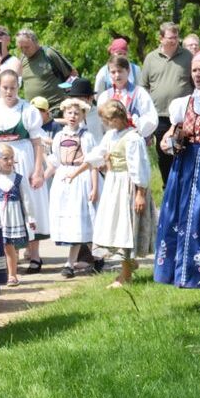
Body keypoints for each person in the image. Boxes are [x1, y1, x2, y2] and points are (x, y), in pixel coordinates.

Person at [154, 50, 200, 310]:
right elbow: (165, 140)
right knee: (192, 227)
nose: (198, 75)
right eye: (195, 70)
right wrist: (172, 142)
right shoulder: (183, 105)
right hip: (188, 171)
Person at [65, 100, 153, 288]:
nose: (104, 123)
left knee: (125, 227)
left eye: (106, 119)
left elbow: (140, 168)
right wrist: (74, 173)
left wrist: (140, 193)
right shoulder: (111, 136)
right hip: (114, 183)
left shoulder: (133, 138)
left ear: (116, 119)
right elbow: (97, 155)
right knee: (114, 225)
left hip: (127, 185)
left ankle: (126, 274)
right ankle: (128, 265)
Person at [0, 70, 50, 273]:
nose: (9, 91)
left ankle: (34, 255)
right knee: (3, 204)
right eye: (5, 87)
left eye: (12, 87)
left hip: (23, 157)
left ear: (18, 87)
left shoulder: (27, 110)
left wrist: (37, 170)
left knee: (29, 203)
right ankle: (11, 258)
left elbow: (37, 142)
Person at [45, 99, 98, 279]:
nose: (73, 116)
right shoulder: (59, 136)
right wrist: (41, 178)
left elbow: (92, 163)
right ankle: (96, 257)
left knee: (81, 221)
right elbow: (55, 161)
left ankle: (71, 263)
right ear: (64, 114)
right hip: (63, 179)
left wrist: (94, 187)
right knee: (71, 222)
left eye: (76, 113)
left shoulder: (86, 136)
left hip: (81, 178)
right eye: (69, 113)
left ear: (82, 115)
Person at [140, 22, 194, 183]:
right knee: (163, 153)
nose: (173, 41)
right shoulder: (151, 58)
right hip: (160, 115)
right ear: (161, 38)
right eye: (170, 38)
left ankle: (182, 185)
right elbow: (144, 86)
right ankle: (166, 185)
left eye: (176, 37)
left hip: (183, 116)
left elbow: (195, 83)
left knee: (183, 150)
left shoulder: (188, 57)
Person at [0, 143, 34, 286]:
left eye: (11, 158)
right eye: (5, 158)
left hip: (13, 217)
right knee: (1, 247)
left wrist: (30, 217)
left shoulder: (18, 179)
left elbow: (27, 200)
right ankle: (0, 274)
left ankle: (12, 274)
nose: (9, 161)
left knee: (10, 247)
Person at [15, 28, 77, 114]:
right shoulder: (22, 59)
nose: (24, 51)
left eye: (27, 47)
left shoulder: (48, 53)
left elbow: (73, 75)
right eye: (21, 48)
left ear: (36, 42)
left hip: (55, 109)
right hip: (33, 112)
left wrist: (67, 93)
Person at [96, 55, 159, 139]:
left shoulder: (139, 93)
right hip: (112, 141)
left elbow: (151, 117)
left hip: (134, 139)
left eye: (120, 71)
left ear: (128, 71)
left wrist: (135, 122)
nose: (117, 75)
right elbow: (100, 122)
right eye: (113, 72)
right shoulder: (105, 96)